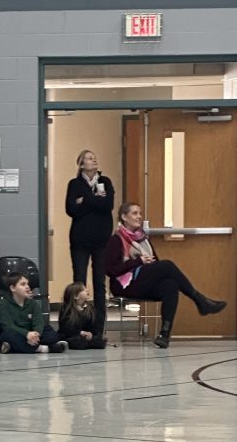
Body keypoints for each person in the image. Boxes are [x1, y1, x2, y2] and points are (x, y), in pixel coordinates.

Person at [105, 202, 226, 348]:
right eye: (134, 213)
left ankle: (164, 335)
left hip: (143, 282)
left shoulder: (143, 239)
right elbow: (110, 270)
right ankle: (199, 300)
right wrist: (138, 261)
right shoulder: (116, 240)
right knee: (167, 265)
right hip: (124, 285)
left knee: (170, 284)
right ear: (124, 217)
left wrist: (147, 265)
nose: (139, 217)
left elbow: (155, 264)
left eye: (140, 213)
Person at [65, 149, 114, 337]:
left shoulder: (105, 182)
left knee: (99, 284)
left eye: (95, 158)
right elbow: (71, 210)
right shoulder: (74, 184)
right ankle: (77, 326)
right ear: (81, 164)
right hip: (80, 240)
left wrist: (84, 200)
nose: (94, 161)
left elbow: (107, 205)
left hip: (101, 240)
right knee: (79, 282)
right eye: (89, 158)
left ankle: (98, 329)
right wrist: (93, 201)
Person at [0, 274, 68, 354]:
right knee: (8, 336)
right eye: (23, 284)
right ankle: (46, 348)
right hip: (18, 333)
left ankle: (14, 348)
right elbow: (8, 326)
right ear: (13, 288)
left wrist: (36, 333)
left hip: (32, 333)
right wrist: (26, 334)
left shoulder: (33, 303)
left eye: (27, 284)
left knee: (51, 334)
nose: (27, 287)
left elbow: (38, 322)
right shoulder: (4, 305)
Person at [58, 283, 107, 350]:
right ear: (76, 296)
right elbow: (66, 328)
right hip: (72, 335)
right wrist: (80, 332)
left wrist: (90, 334)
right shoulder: (66, 309)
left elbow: (93, 325)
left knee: (100, 341)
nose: (87, 290)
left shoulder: (90, 308)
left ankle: (87, 343)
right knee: (78, 341)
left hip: (85, 336)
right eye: (83, 290)